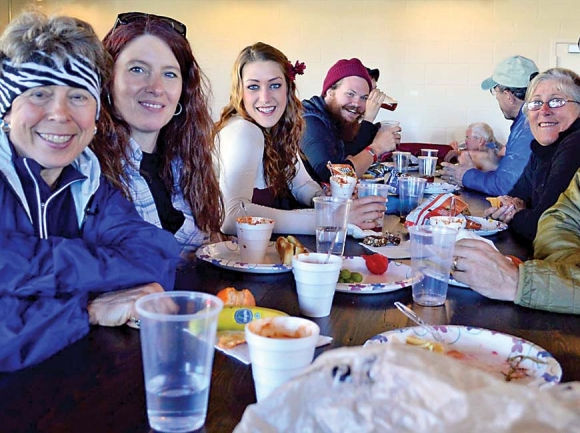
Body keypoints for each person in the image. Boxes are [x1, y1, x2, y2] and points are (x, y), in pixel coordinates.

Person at [0, 11, 180, 372]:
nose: (60, 114)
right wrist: (88, 308)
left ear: (96, 115)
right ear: (6, 109)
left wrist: (18, 268)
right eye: (39, 93)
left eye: (79, 96)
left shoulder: (87, 182)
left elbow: (157, 256)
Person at [215, 43, 389, 235]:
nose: (265, 97)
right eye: (253, 86)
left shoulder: (278, 128)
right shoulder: (242, 131)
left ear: (288, 89)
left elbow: (300, 184)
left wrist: (326, 199)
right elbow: (231, 217)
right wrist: (331, 218)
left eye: (275, 85)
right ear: (239, 91)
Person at [92, 12, 223, 258]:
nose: (155, 87)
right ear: (107, 80)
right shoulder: (86, 166)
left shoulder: (185, 161)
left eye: (170, 74)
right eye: (138, 69)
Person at [452, 168, 580, 314]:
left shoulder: (571, 148)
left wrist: (522, 282)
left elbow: (503, 182)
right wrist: (566, 276)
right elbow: (561, 221)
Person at [484, 68, 580, 243]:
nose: (544, 110)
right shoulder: (542, 147)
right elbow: (516, 195)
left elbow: (543, 225)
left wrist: (516, 213)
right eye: (535, 103)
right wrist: (511, 207)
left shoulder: (575, 143)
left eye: (556, 101)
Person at [441, 55, 538, 195]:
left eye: (495, 91)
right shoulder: (526, 121)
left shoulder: (528, 126)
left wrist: (466, 175)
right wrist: (494, 164)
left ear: (509, 96)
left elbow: (506, 186)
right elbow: (519, 175)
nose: (496, 98)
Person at [300, 58, 401, 184]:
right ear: (330, 92)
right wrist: (376, 148)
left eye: (364, 98)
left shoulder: (336, 118)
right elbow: (334, 176)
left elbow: (348, 155)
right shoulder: (309, 121)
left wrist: (376, 133)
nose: (357, 104)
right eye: (350, 94)